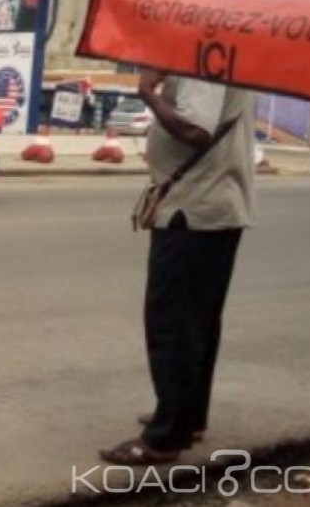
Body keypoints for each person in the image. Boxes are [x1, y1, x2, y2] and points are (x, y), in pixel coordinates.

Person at [100, 70, 256, 466]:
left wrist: (147, 93)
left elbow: (196, 131)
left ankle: (165, 438)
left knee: (173, 325)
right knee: (197, 325)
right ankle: (187, 417)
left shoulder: (203, 63)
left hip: (193, 211)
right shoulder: (219, 57)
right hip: (209, 209)